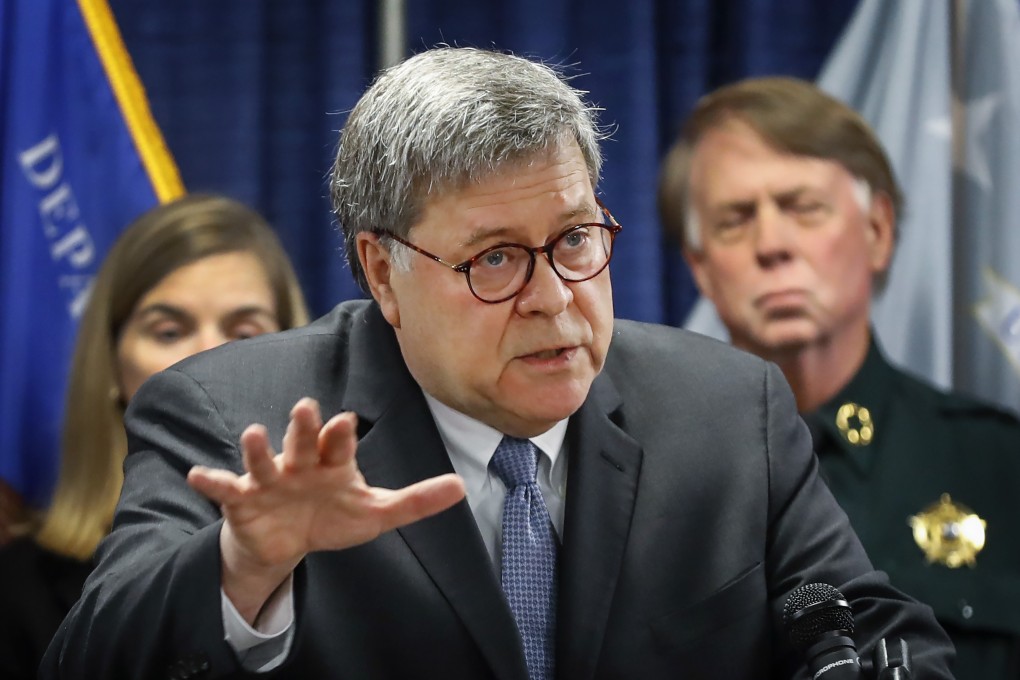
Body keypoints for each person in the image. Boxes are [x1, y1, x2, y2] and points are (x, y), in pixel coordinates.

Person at [43, 48, 953, 680]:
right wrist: (244, 566)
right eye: (496, 259)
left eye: (575, 239)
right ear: (383, 272)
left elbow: (876, 629)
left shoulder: (726, 407)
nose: (554, 298)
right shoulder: (233, 413)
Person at [659, 76, 1020, 678]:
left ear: (877, 231)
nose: (772, 245)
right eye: (735, 220)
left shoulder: (1000, 465)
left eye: (803, 208)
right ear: (700, 268)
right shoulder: (649, 479)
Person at [0, 193, 309, 680]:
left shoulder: (358, 568)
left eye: (244, 335)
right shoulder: (19, 591)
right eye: (169, 332)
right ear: (110, 364)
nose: (209, 358)